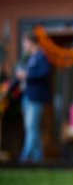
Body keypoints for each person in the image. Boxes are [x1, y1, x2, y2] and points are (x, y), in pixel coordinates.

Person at [16, 33, 52, 162]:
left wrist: (27, 75)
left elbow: (45, 73)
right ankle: (38, 159)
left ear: (32, 42)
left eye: (25, 42)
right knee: (31, 128)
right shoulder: (29, 58)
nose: (23, 45)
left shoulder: (41, 56)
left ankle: (24, 158)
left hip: (36, 98)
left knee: (32, 127)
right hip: (27, 96)